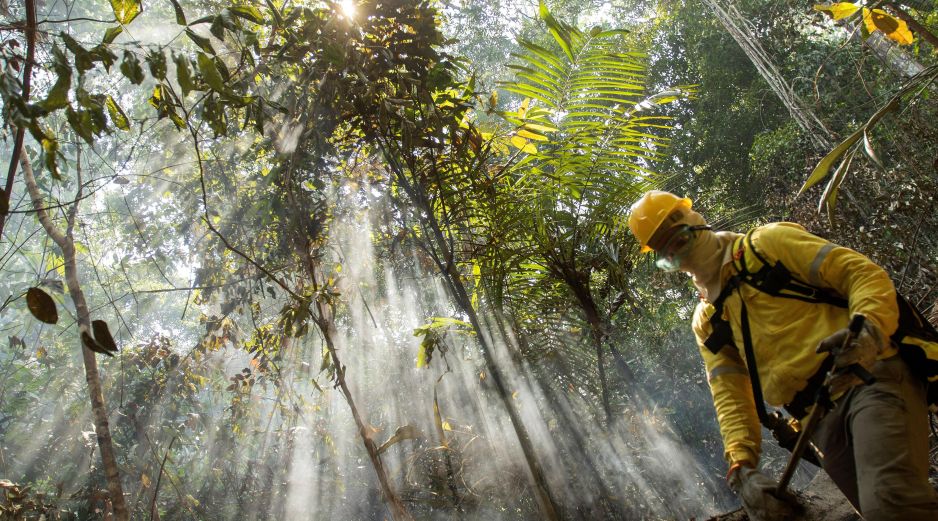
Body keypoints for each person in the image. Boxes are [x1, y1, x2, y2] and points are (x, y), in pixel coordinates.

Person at [628, 190, 938, 521]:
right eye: (666, 250)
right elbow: (729, 394)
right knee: (877, 508)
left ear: (695, 221)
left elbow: (861, 274)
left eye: (679, 236)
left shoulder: (767, 245)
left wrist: (868, 331)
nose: (676, 249)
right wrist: (741, 465)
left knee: (891, 504)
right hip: (816, 423)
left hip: (868, 377)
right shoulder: (708, 321)